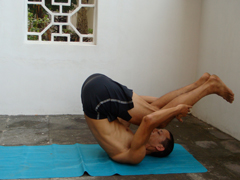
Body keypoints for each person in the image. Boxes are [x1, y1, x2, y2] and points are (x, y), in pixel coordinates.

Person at [81, 73, 234, 164]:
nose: (155, 131)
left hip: (97, 94)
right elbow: (149, 109)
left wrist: (176, 109)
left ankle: (209, 86)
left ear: (160, 147)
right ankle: (198, 85)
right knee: (157, 112)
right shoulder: (123, 137)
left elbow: (149, 120)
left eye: (159, 133)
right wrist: (171, 107)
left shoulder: (136, 155)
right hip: (95, 92)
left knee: (159, 117)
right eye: (159, 131)